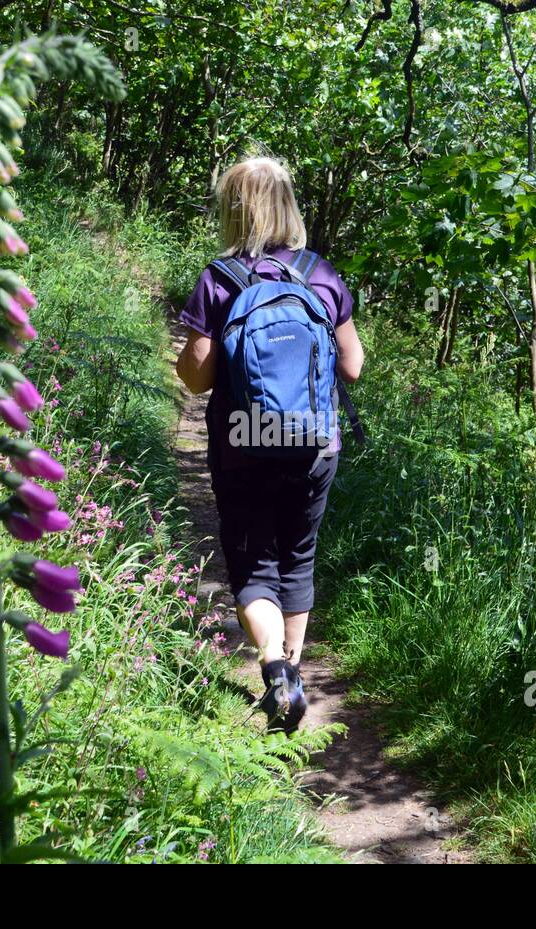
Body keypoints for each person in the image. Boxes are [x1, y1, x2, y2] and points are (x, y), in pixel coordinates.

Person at [175, 154, 365, 731]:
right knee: (297, 555)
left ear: (234, 210)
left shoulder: (220, 278)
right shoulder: (319, 273)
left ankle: (275, 667)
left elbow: (196, 377)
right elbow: (352, 367)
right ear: (288, 206)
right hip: (314, 444)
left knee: (253, 557)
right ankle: (296, 676)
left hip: (242, 442)